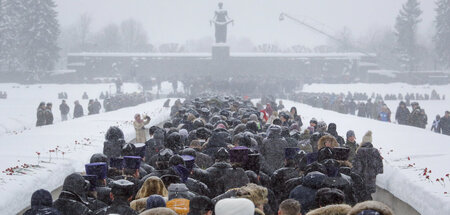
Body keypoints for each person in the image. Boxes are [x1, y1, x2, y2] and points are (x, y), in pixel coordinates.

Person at [352, 131, 383, 199]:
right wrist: (372, 173)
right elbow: (380, 169)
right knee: (368, 198)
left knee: (360, 199)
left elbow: (356, 168)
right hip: (371, 181)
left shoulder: (359, 151)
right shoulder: (375, 151)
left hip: (361, 181)